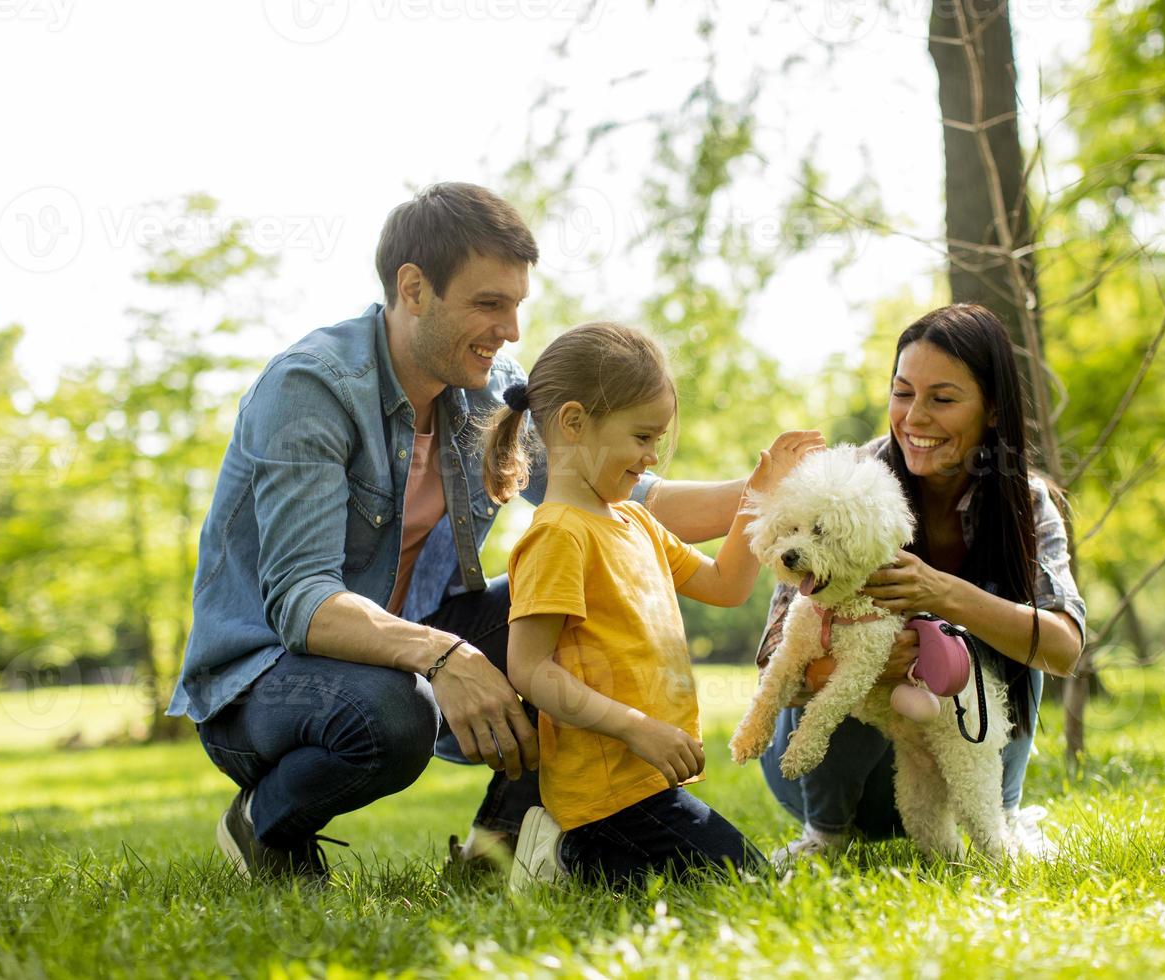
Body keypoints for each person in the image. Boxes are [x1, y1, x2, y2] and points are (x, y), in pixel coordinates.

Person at [167, 183, 754, 884]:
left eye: (515, 306)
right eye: (488, 304)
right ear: (413, 288)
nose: (509, 329)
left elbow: (627, 499)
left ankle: (497, 851)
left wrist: (777, 491)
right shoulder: (311, 390)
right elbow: (302, 601)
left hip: (407, 639)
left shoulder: (485, 387)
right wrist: (447, 656)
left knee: (569, 604)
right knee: (394, 716)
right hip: (263, 681)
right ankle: (264, 822)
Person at [484, 321, 824, 887]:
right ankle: (569, 849)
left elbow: (725, 585)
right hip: (608, 790)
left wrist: (759, 494)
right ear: (574, 423)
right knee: (751, 884)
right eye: (642, 437)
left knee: (645, 885)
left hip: (643, 779)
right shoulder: (558, 537)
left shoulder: (636, 521)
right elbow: (529, 668)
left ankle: (567, 861)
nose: (652, 456)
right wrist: (638, 727)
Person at [757, 303, 1087, 862]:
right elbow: (773, 663)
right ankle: (823, 839)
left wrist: (944, 595)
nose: (914, 418)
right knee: (820, 630)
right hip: (838, 784)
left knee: (1017, 627)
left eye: (943, 398)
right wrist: (860, 669)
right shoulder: (845, 488)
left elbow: (1064, 650)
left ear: (993, 412)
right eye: (903, 392)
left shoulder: (1024, 503)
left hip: (961, 772)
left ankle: (996, 820)